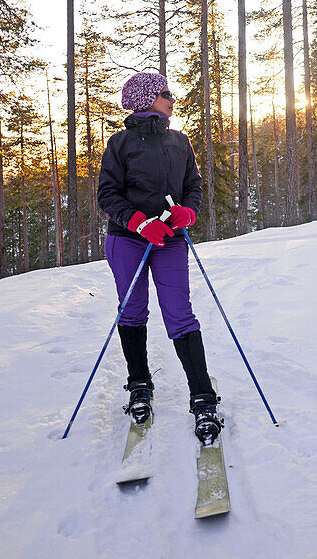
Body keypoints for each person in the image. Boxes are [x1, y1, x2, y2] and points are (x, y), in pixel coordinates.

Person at [96, 71, 222, 445]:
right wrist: (137, 222)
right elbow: (107, 194)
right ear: (147, 98)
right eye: (166, 93)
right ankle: (139, 386)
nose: (172, 98)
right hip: (128, 240)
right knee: (132, 311)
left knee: (179, 314)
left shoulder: (180, 142)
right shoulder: (119, 144)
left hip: (170, 239)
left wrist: (189, 212)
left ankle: (202, 396)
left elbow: (193, 186)